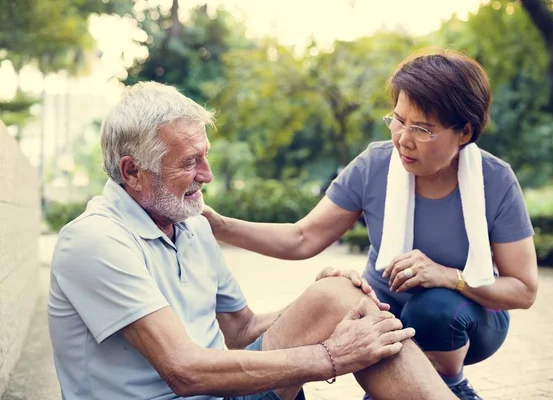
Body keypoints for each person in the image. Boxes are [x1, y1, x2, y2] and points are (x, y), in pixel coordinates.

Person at [47, 81, 459, 400]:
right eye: (190, 162)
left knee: (338, 296)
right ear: (132, 171)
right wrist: (331, 356)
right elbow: (183, 370)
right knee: (344, 322)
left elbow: (240, 328)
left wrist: (318, 306)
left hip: (227, 393)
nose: (206, 175)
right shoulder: (94, 241)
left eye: (205, 156)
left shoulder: (190, 223)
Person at [202, 50, 539, 400]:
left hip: (470, 317)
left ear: (464, 132)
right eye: (398, 120)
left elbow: (523, 289)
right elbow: (302, 238)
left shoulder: (495, 180)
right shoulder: (375, 165)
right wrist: (220, 226)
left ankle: (451, 384)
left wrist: (448, 276)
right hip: (386, 309)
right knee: (349, 303)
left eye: (422, 129)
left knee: (433, 308)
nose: (403, 139)